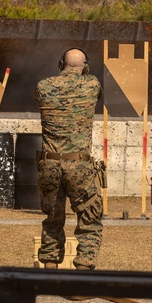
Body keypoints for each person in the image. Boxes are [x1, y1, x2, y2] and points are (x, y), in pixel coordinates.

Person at [34, 47, 104, 271]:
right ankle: (82, 276)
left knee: (53, 218)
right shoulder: (91, 84)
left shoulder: (43, 86)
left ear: (60, 63)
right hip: (79, 164)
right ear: (85, 67)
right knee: (89, 220)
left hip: (49, 164)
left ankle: (50, 271)